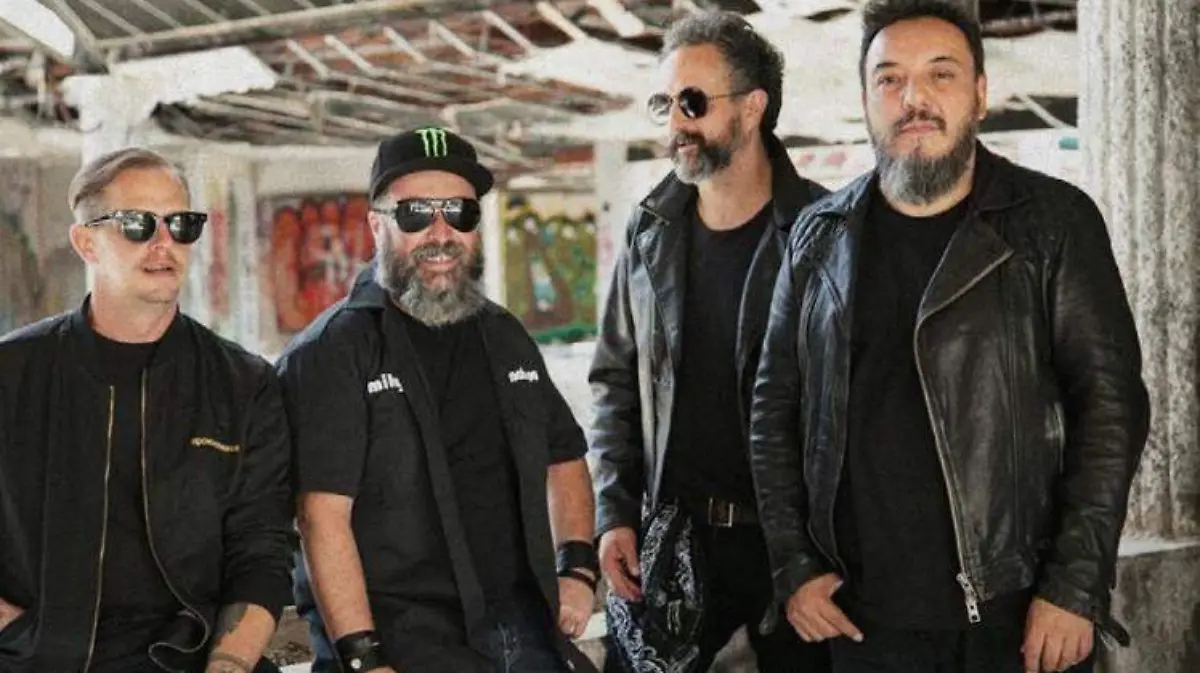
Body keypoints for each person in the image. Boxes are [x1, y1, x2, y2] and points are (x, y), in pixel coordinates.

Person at [748, 2, 1151, 672]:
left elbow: (1111, 408)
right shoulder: (818, 237)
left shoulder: (1053, 223)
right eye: (890, 79)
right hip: (863, 623)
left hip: (1019, 617)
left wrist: (1074, 586)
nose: (915, 99)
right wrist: (794, 564)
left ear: (980, 94)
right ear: (866, 100)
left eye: (941, 74)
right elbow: (773, 411)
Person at [278, 126, 599, 673]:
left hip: (526, 638)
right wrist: (363, 658)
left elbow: (564, 455)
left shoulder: (505, 335)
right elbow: (320, 518)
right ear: (376, 225)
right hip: (404, 647)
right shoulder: (331, 352)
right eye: (415, 214)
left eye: (460, 212)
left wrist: (579, 567)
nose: (441, 232)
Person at [589, 10, 830, 673]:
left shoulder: (827, 233)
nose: (676, 122)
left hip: (795, 554)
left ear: (753, 108)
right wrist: (614, 511)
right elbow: (614, 381)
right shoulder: (649, 232)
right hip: (674, 543)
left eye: (692, 102)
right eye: (663, 104)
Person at [0, 148, 295, 673]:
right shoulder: (13, 373)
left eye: (181, 224)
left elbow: (261, 552)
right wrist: (17, 633)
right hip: (41, 659)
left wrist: (229, 663)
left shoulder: (243, 384)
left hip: (192, 659)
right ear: (85, 242)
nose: (164, 243)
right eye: (138, 224)